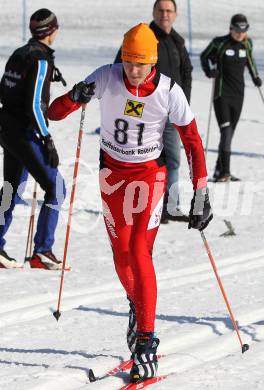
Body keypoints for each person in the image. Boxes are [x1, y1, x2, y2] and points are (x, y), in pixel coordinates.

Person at [48, 23, 212, 383]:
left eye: (139, 64)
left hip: (149, 176)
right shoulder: (107, 77)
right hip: (113, 178)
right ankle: (137, 307)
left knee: (139, 250)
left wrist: (201, 193)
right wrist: (75, 96)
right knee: (121, 256)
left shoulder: (169, 91)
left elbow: (193, 142)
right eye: (128, 62)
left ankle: (146, 339)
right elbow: (54, 113)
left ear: (152, 62)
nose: (132, 71)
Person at [114, 0, 193, 223]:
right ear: (153, 12)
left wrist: (181, 106)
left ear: (175, 14)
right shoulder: (141, 39)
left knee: (173, 161)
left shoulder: (177, 41)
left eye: (169, 10)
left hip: (170, 115)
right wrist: (134, 109)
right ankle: (142, 205)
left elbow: (186, 73)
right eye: (160, 10)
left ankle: (171, 207)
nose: (164, 14)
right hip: (144, 116)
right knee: (145, 163)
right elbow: (119, 73)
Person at [0, 9, 66, 269]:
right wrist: (47, 138)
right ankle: (42, 251)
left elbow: (5, 89)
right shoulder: (40, 59)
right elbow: (35, 106)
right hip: (24, 133)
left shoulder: (20, 53)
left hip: (7, 128)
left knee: (11, 187)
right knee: (56, 187)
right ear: (51, 31)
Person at [200, 14, 262, 182]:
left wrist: (255, 76)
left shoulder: (247, 43)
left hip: (238, 95)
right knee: (226, 131)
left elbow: (250, 62)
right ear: (231, 29)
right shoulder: (219, 43)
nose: (240, 34)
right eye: (237, 31)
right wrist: (209, 71)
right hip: (221, 94)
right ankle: (225, 171)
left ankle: (220, 171)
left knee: (228, 134)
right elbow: (204, 56)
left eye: (243, 31)